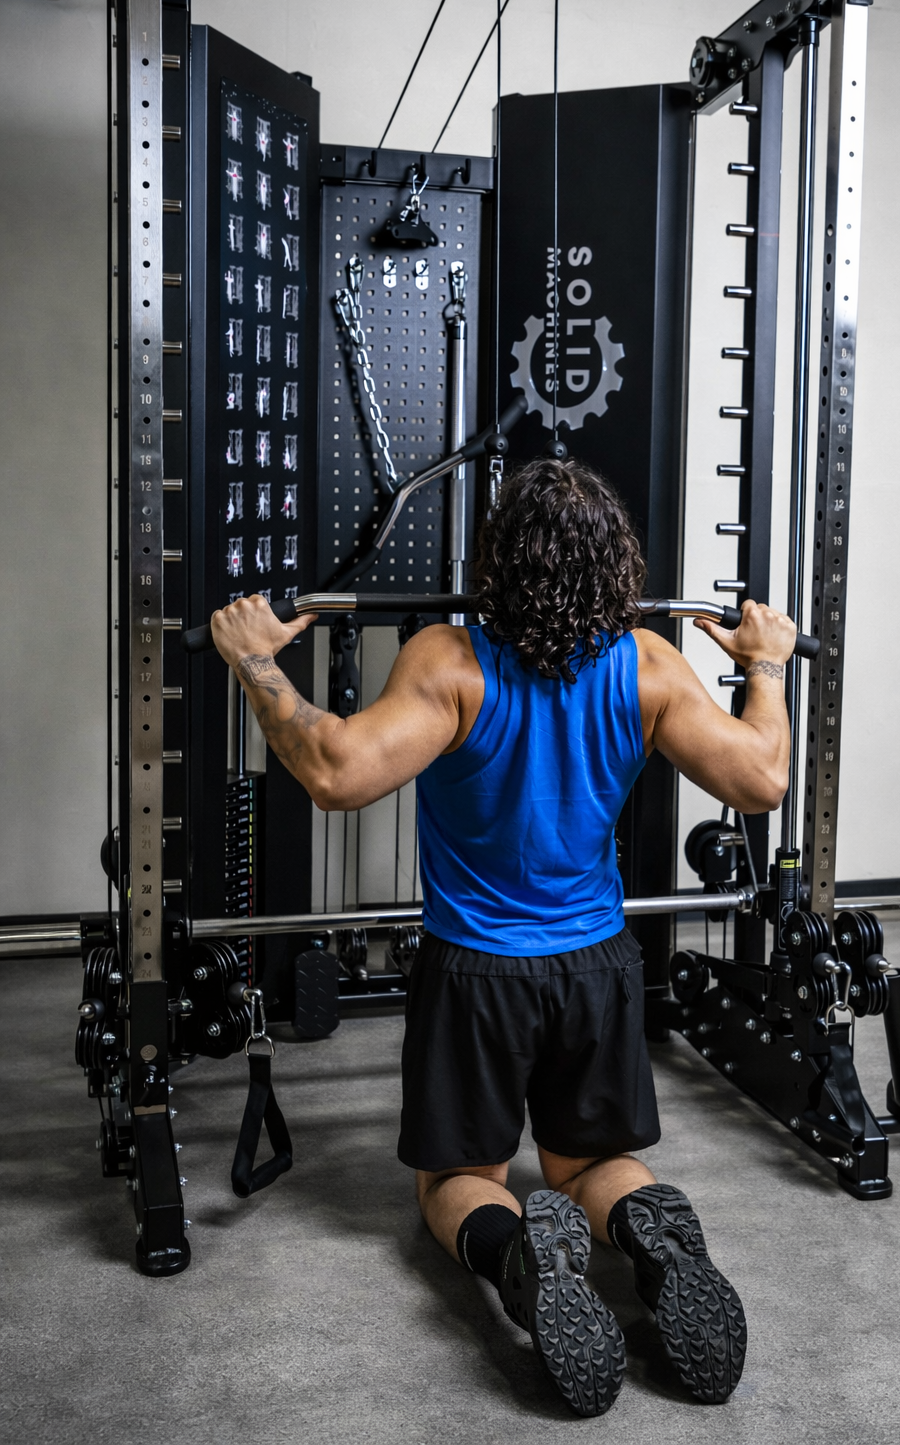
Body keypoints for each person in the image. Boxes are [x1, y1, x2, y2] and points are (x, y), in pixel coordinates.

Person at [210, 457, 796, 1418]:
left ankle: (521, 1251)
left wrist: (254, 658)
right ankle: (651, 1240)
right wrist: (764, 663)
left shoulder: (447, 661)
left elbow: (334, 772)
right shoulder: (648, 662)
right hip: (598, 967)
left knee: (456, 1181)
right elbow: (763, 779)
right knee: (592, 1165)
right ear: (617, 566)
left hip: (476, 970)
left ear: (496, 564)